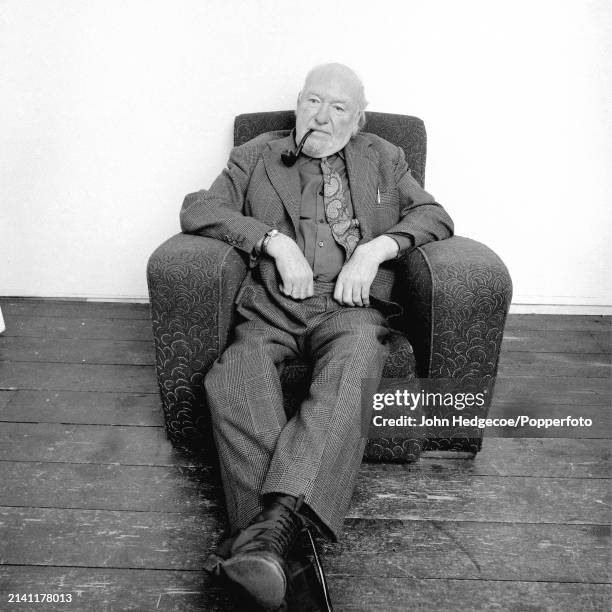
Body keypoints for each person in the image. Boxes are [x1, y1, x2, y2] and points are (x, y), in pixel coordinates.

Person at [180, 63, 454, 609]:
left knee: (356, 363)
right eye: (312, 101)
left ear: (359, 119)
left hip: (349, 307)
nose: (322, 116)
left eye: (339, 108)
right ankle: (285, 550)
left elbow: (435, 215)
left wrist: (377, 250)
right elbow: (199, 207)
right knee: (232, 373)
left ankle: (262, 543)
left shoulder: (382, 156)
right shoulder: (257, 153)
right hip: (273, 305)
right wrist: (273, 243)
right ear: (297, 104)